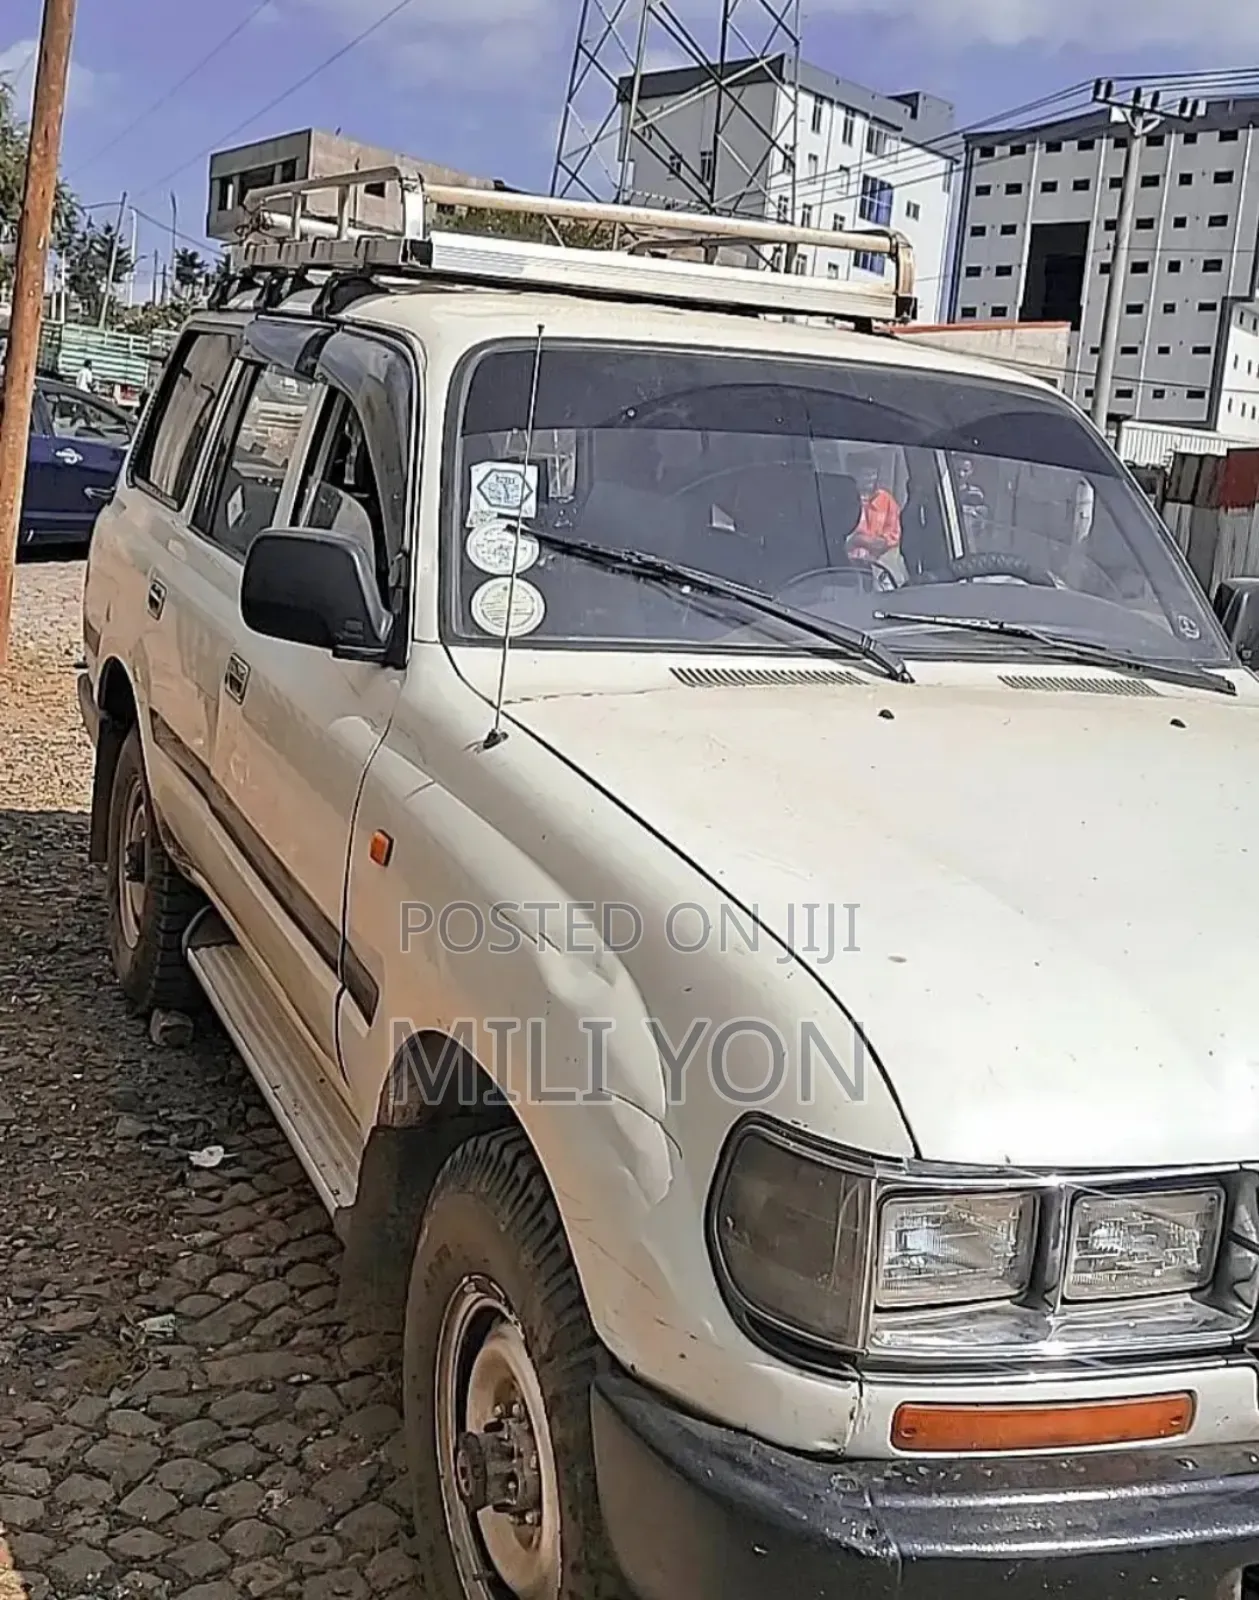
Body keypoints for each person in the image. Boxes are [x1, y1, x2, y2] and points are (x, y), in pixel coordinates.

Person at [846, 452, 902, 563]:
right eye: (865, 475)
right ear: (854, 475)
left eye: (873, 474)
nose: (870, 479)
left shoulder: (887, 501)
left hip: (880, 567)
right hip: (846, 566)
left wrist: (862, 540)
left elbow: (892, 538)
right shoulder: (844, 498)